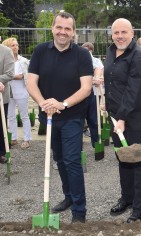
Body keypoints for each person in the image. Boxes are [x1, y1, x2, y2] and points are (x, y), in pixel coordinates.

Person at [27, 11, 93, 223]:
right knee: (59, 160)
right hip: (48, 116)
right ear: (53, 28)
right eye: (59, 27)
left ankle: (79, 211)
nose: (63, 32)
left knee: (73, 161)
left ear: (73, 32)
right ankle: (68, 197)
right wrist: (43, 103)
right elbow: (31, 82)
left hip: (72, 116)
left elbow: (86, 89)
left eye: (68, 28)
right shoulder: (40, 51)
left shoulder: (82, 55)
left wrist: (62, 104)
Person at [104, 18, 141, 223]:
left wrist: (122, 117)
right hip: (117, 118)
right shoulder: (111, 51)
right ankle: (127, 198)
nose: (120, 36)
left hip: (135, 118)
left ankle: (139, 209)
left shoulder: (139, 57)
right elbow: (112, 81)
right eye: (116, 33)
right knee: (123, 159)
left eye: (124, 32)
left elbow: (133, 91)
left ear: (132, 33)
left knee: (139, 162)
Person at [2, 38, 31, 149]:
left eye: (16, 45)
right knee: (11, 116)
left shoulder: (23, 61)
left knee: (24, 115)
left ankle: (27, 139)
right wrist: (14, 76)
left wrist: (11, 76)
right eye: (12, 45)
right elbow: (16, 76)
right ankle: (13, 138)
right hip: (8, 92)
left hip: (21, 91)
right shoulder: (5, 61)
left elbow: (24, 75)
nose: (15, 47)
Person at [81, 42, 103, 148]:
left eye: (87, 50)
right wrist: (91, 80)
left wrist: (97, 77)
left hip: (93, 94)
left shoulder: (96, 61)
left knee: (94, 120)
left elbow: (98, 70)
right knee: (79, 121)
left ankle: (96, 144)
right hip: (80, 95)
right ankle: (77, 146)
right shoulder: (77, 59)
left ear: (91, 51)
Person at [0, 43, 14, 164]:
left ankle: (1, 152)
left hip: (0, 96)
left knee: (1, 124)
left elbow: (10, 74)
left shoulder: (5, 51)